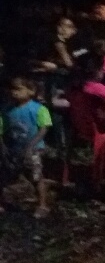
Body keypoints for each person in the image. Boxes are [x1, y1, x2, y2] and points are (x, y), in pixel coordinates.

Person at [3, 77, 53, 218]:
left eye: (18, 89)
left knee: (36, 176)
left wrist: (32, 145)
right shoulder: (8, 111)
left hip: (34, 149)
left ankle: (42, 205)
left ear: (31, 91)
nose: (14, 92)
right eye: (12, 89)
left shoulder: (38, 109)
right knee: (6, 175)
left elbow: (44, 128)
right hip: (15, 148)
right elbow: (5, 129)